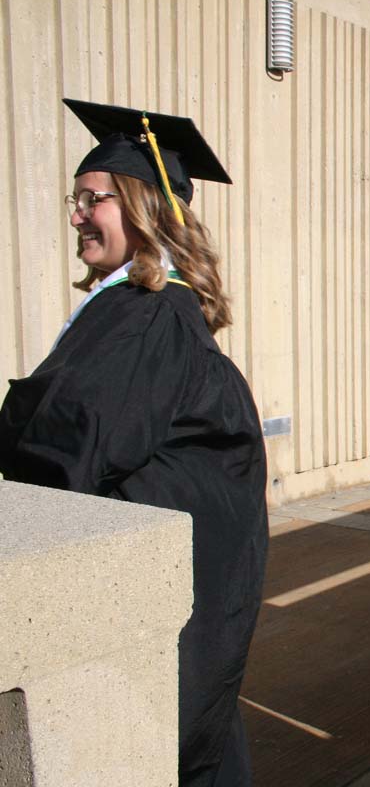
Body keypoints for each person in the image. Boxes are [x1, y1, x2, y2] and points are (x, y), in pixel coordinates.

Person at [0, 99, 268, 787]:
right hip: (182, 621)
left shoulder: (144, 317)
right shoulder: (151, 312)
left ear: (144, 207)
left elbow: (60, 460)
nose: (76, 215)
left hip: (146, 635)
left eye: (93, 198)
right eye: (76, 198)